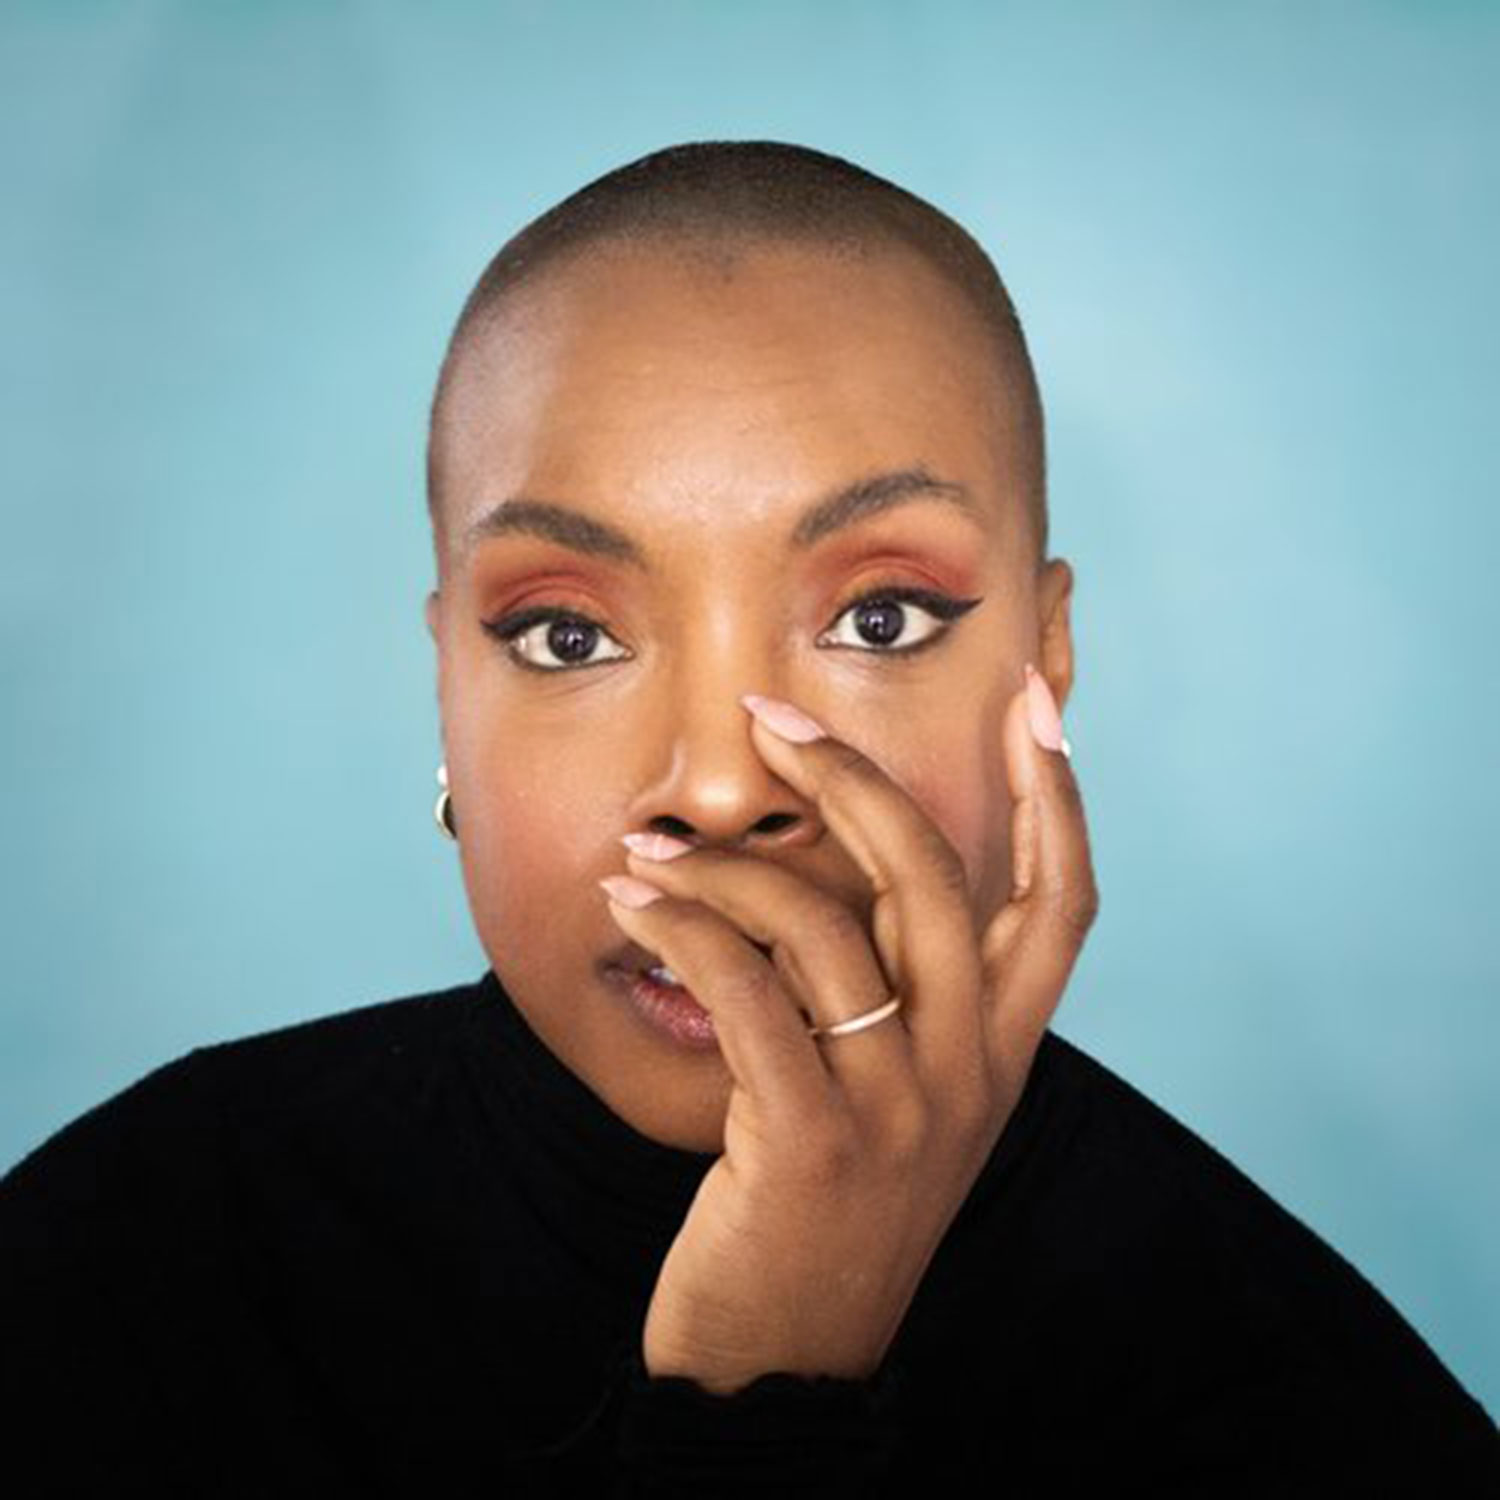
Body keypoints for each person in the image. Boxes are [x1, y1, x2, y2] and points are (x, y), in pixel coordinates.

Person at [1, 139, 1494, 1496]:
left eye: (882, 617)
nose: (721, 790)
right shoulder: (125, 1260)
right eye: (566, 636)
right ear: (448, 684)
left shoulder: (1305, 1413)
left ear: (1044, 669)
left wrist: (760, 1406)